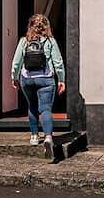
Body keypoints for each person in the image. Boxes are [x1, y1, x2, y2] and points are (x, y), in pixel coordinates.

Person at [11, 13, 65, 159]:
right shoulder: (50, 41)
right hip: (46, 79)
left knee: (32, 106)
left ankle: (34, 136)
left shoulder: (24, 41)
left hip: (27, 79)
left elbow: (16, 62)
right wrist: (61, 79)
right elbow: (58, 62)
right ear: (46, 26)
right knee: (46, 109)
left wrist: (14, 77)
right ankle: (48, 137)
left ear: (30, 26)